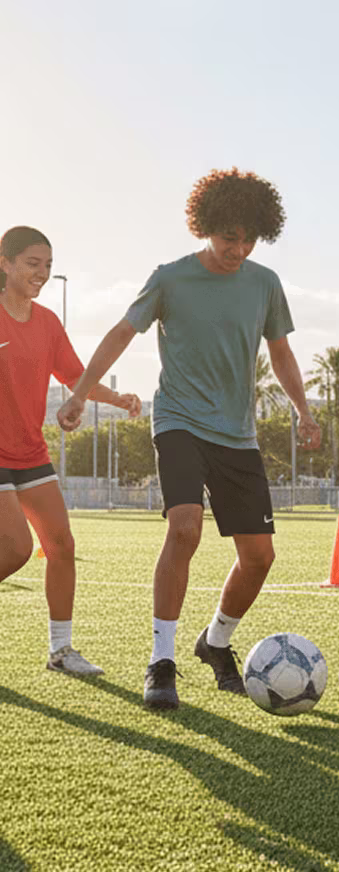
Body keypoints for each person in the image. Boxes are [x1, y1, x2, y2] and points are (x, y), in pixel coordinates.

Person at [57, 167, 321, 709]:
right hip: (177, 420)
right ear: (206, 228)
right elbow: (121, 331)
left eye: (249, 239)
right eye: (229, 238)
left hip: (238, 435)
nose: (238, 249)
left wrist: (303, 409)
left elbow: (282, 352)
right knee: (185, 528)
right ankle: (162, 660)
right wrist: (82, 392)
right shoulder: (170, 277)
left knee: (259, 557)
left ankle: (215, 641)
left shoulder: (264, 282)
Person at [0, 226, 141, 675]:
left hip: (30, 452)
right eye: (31, 264)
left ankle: (61, 652)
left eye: (48, 266)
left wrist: (117, 399)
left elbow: (75, 376)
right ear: (5, 264)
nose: (41, 273)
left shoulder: (46, 322)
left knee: (60, 545)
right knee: (17, 548)